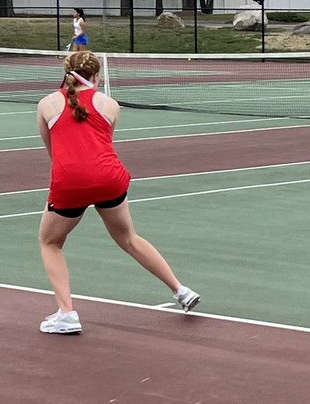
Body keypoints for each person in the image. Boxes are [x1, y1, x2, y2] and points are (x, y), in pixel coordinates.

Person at [36, 50, 200, 334]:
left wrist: (70, 183)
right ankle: (181, 290)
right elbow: (101, 143)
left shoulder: (46, 104)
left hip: (70, 182)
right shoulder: (109, 104)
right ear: (96, 76)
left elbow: (54, 152)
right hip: (110, 179)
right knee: (128, 238)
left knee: (50, 242)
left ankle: (66, 314)